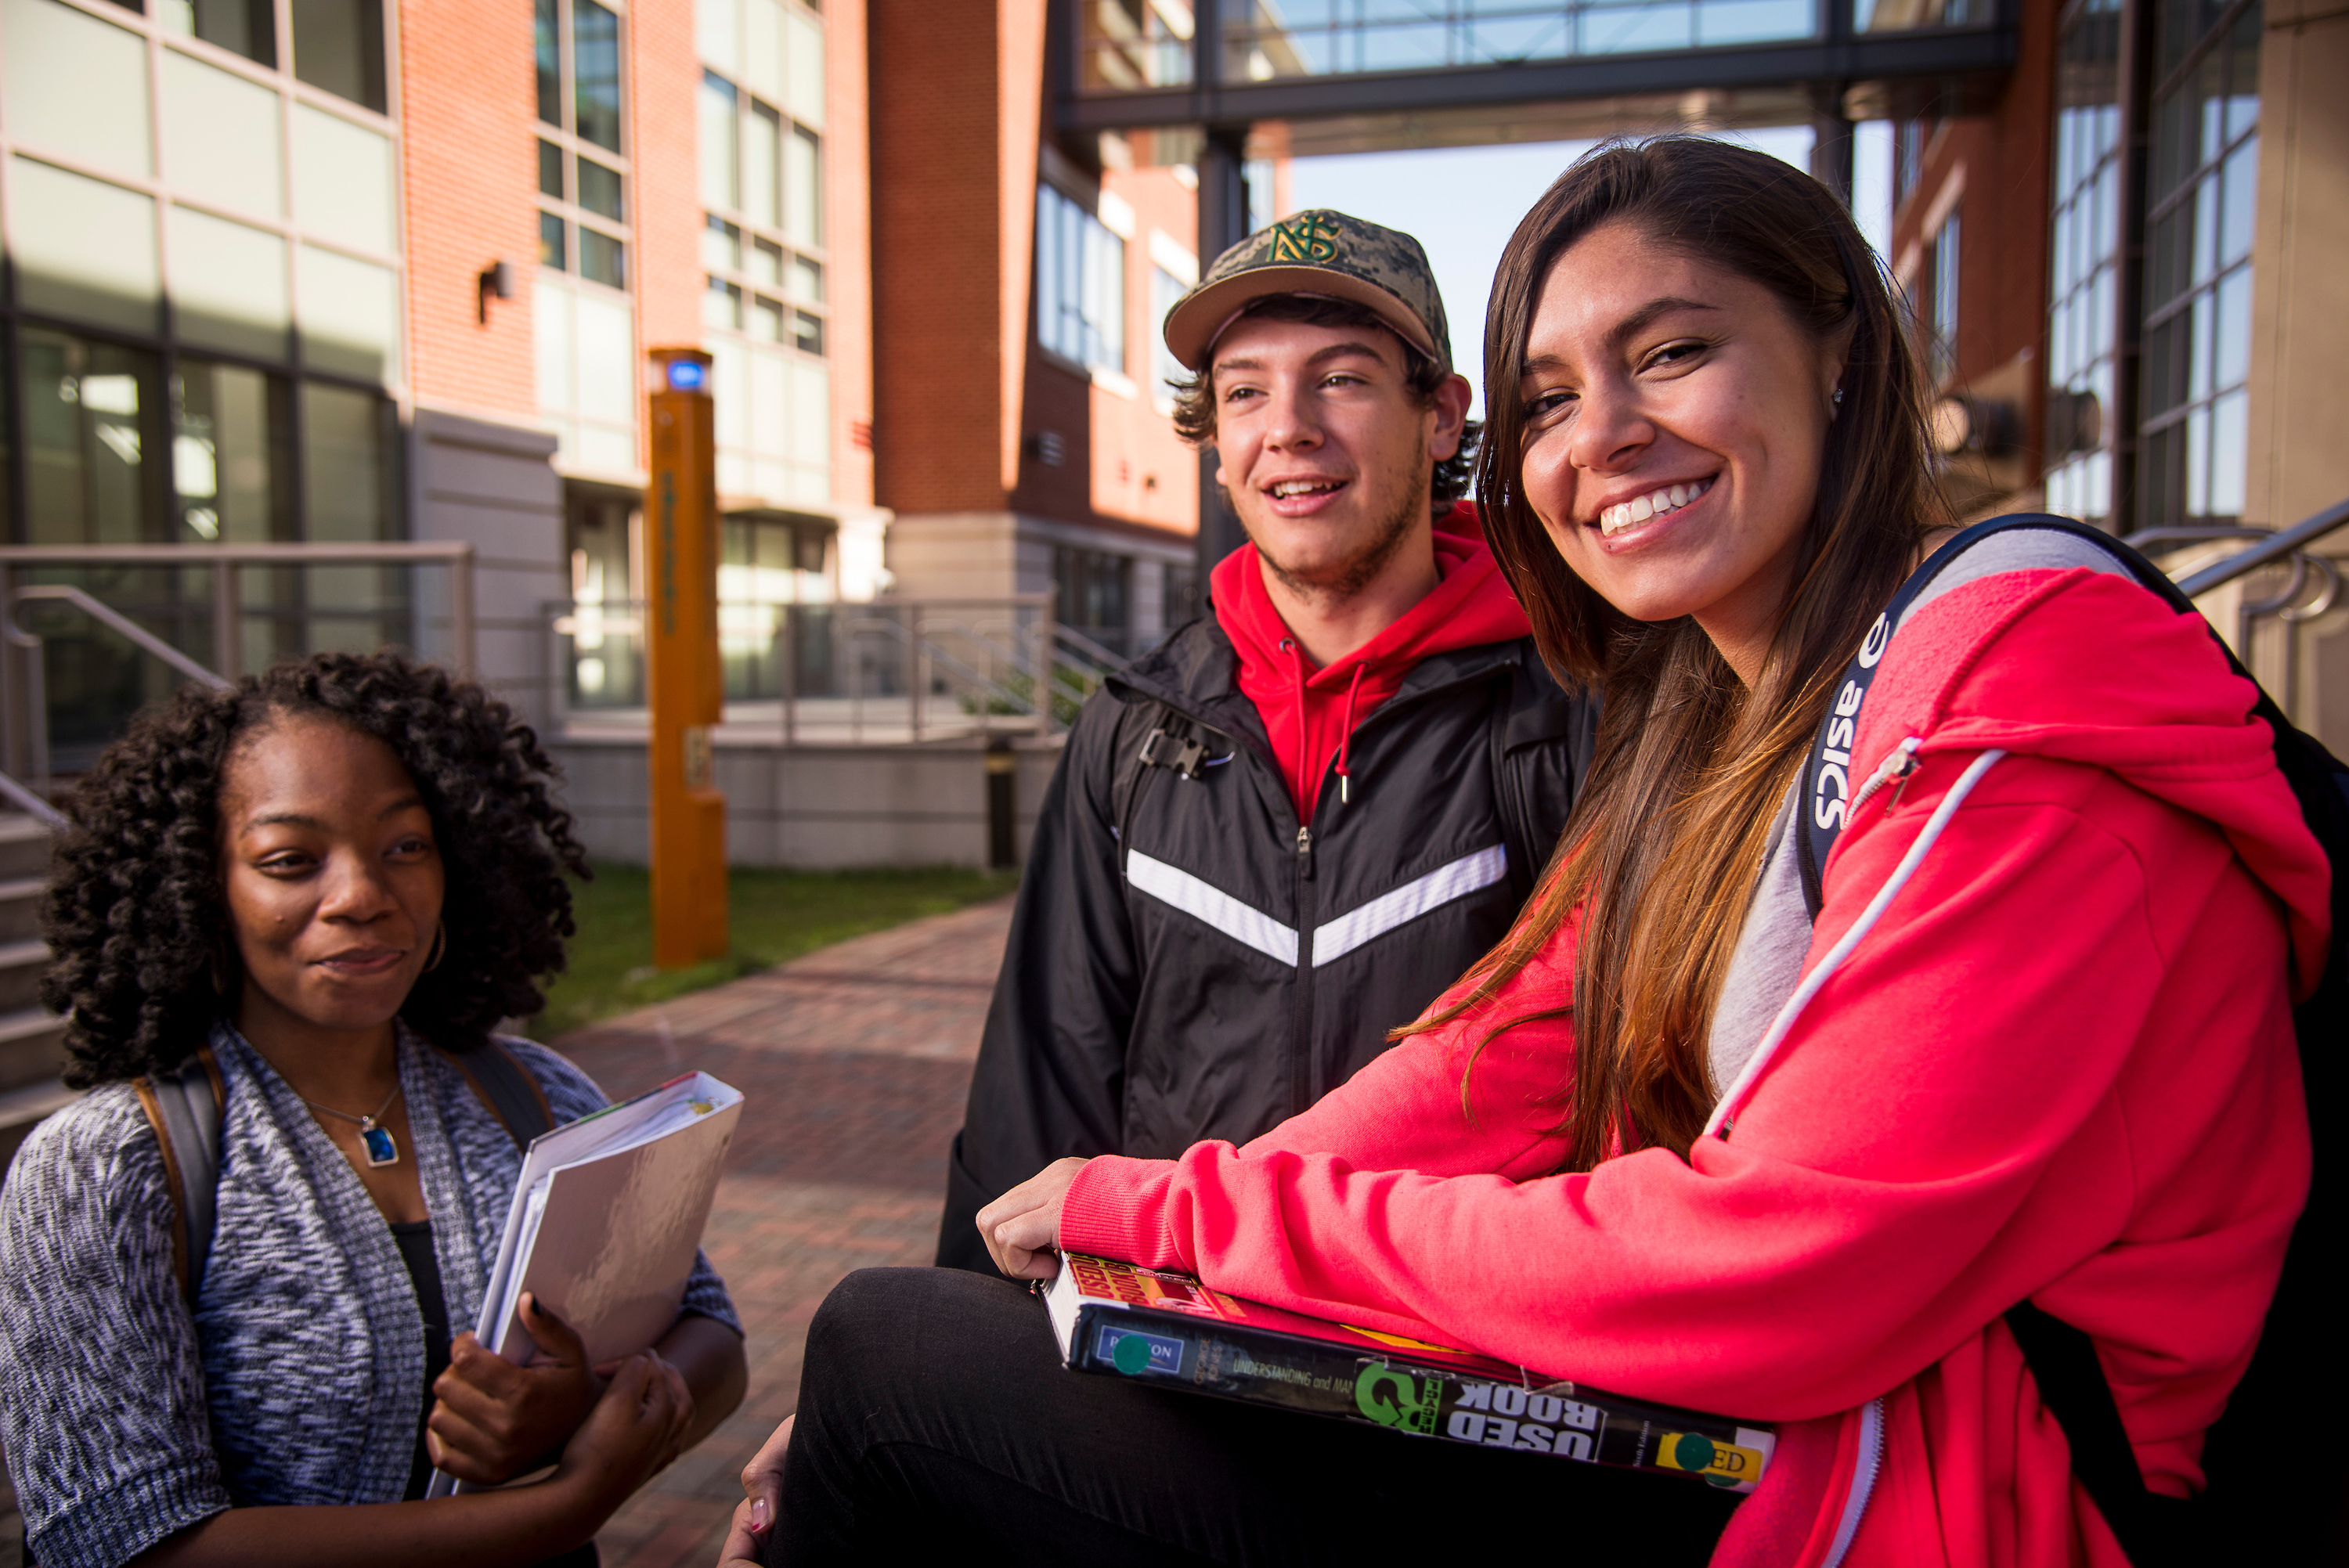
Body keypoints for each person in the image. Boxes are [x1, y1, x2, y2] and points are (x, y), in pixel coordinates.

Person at [723, 136, 2323, 1566]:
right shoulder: (1711, 706)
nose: (1607, 434)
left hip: (1914, 1484)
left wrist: (1192, 1218)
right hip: (1687, 1411)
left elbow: (1776, 1268)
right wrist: (1152, 1236)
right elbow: (1493, 1053)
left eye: (1675, 351)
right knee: (901, 1365)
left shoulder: (1998, 687)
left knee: (891, 1364)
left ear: (1840, 354)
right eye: (1558, 393)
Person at [936, 208, 1599, 1272]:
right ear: (1214, 443)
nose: (1287, 427)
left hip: (1441, 1353)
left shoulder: (1568, 711)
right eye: (1244, 389)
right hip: (1172, 1341)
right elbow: (1042, 1083)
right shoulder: (1136, 730)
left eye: (1341, 378)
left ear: (1440, 417)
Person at [0, 652, 749, 1568]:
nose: (362, 895)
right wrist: (568, 1501)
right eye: (289, 860)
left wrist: (592, 1400)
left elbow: (711, 1330)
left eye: (405, 845)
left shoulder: (532, 1093)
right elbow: (124, 1543)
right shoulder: (103, 1165)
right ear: (202, 889)